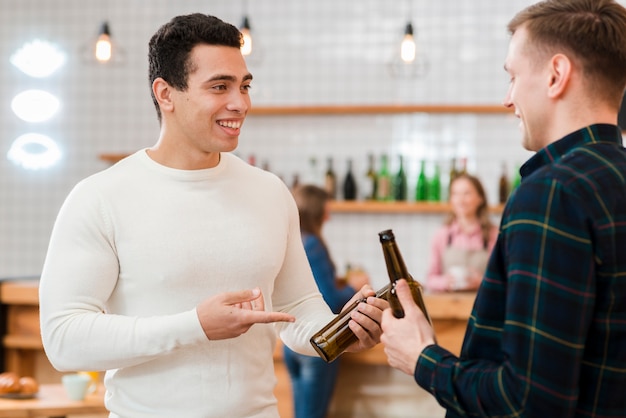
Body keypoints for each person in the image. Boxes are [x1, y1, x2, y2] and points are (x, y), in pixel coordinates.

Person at [38, 14, 387, 418]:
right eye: (219, 87)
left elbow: (297, 309)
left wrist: (343, 333)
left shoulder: (270, 192)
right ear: (165, 94)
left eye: (244, 86)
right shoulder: (100, 197)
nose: (240, 102)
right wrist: (195, 325)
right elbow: (64, 339)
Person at [381, 0, 626, 417]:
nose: (507, 99)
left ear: (556, 75)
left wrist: (421, 357)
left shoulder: (551, 193)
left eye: (512, 77)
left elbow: (529, 401)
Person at [283, 185, 369, 418]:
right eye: (326, 208)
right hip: (318, 341)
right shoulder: (313, 245)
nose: (329, 214)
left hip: (290, 342)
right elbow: (330, 299)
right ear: (316, 211)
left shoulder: (294, 242)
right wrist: (353, 287)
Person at [425, 173, 498, 292]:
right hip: (448, 308)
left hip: (483, 306)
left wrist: (483, 281)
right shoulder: (442, 234)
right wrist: (444, 282)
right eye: (455, 194)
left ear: (480, 198)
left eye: (467, 193)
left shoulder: (494, 235)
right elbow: (430, 279)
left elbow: (504, 277)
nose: (460, 200)